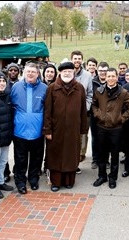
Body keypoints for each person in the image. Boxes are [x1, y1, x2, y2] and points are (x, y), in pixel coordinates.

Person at [43, 62, 88, 192]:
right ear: (60, 73)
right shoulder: (52, 88)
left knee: (71, 156)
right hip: (56, 130)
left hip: (73, 130)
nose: (67, 73)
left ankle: (69, 181)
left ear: (73, 73)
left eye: (69, 71)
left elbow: (83, 110)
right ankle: (56, 182)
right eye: (64, 71)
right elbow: (47, 111)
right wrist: (47, 130)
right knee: (55, 156)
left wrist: (83, 129)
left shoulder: (79, 88)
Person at [92, 67, 129, 189]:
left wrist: (121, 118)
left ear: (117, 77)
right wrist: (97, 114)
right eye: (108, 76)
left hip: (116, 129)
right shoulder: (99, 91)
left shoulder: (123, 92)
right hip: (101, 127)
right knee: (102, 154)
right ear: (105, 77)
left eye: (113, 76)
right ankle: (102, 176)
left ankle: (112, 177)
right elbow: (94, 105)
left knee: (114, 154)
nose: (110, 78)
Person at [11, 63, 48, 194]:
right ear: (24, 73)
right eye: (28, 71)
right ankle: (20, 181)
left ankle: (33, 179)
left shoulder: (44, 88)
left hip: (37, 132)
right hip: (19, 131)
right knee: (20, 159)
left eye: (33, 71)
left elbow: (48, 109)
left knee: (36, 158)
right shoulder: (15, 87)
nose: (30, 74)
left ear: (38, 74)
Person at [71, 50, 93, 173]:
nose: (77, 60)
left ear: (82, 60)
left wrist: (86, 107)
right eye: (75, 58)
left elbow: (90, 93)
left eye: (79, 58)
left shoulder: (87, 75)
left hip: (83, 112)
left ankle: (79, 158)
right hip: (69, 113)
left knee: (82, 136)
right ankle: (71, 160)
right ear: (71, 60)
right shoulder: (67, 73)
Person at [90, 62, 110, 170]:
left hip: (108, 116)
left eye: (105, 71)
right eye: (101, 70)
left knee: (106, 138)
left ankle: (106, 160)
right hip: (95, 116)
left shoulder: (111, 82)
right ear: (97, 70)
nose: (103, 73)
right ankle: (95, 159)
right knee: (95, 138)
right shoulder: (92, 82)